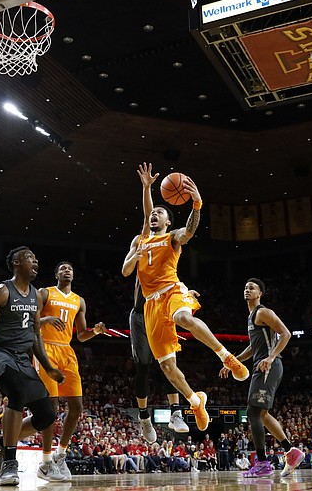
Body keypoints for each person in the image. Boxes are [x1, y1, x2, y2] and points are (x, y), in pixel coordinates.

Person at [121, 163, 249, 433]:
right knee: (166, 366)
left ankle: (226, 356)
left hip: (171, 291)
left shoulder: (173, 237)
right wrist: (146, 189)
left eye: (160, 213)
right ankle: (194, 401)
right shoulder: (140, 241)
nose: (154, 215)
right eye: (152, 212)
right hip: (150, 305)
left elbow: (189, 231)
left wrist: (197, 204)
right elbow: (125, 270)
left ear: (168, 221)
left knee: (182, 317)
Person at [0, 246, 66, 485]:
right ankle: (9, 463)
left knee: (46, 416)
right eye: (30, 257)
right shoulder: (1, 291)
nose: (36, 261)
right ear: (17, 263)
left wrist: (49, 367)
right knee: (17, 391)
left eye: (36, 257)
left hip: (22, 358)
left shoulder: (36, 296)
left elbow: (35, 336)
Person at [219, 278, 302, 478]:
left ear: (260, 294)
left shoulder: (263, 312)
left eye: (252, 288)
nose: (247, 290)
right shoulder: (251, 317)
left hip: (269, 366)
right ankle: (291, 452)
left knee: (253, 411)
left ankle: (263, 463)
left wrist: (270, 357)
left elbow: (286, 334)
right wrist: (232, 362)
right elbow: (252, 348)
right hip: (262, 365)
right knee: (261, 414)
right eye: (245, 287)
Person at [35, 261, 106, 481]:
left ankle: (60, 454)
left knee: (76, 407)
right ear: (56, 273)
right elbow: (30, 322)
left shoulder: (79, 300)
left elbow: (81, 335)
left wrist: (94, 331)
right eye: (63, 268)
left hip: (67, 351)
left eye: (71, 269)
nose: (67, 271)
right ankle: (45, 462)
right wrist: (46, 319)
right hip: (45, 348)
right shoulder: (44, 293)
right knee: (52, 407)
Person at [120, 253, 188, 443]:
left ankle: (176, 413)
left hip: (161, 317)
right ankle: (144, 417)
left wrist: (186, 293)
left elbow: (176, 286)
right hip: (141, 317)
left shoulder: (168, 266)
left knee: (169, 367)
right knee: (143, 367)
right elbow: (126, 270)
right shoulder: (143, 257)